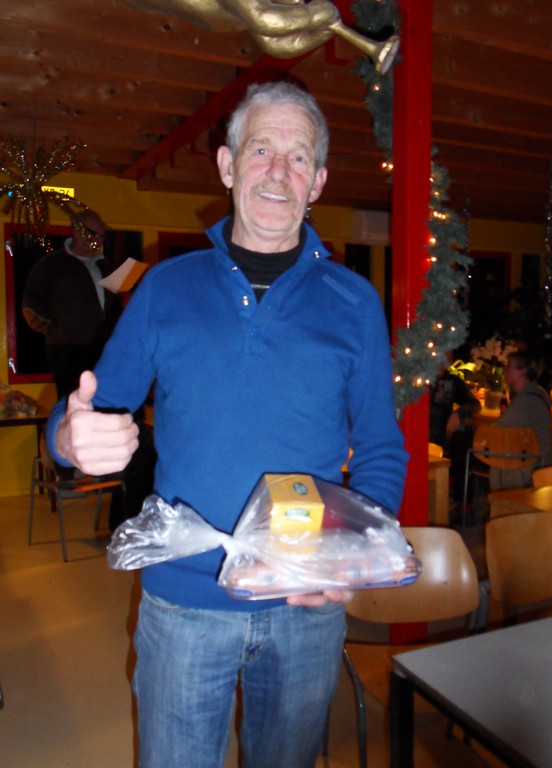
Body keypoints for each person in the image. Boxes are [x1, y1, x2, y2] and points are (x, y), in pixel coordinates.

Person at [45, 81, 408, 768]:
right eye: (261, 149)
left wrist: (351, 555)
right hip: (185, 601)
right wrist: (68, 437)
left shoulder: (355, 302)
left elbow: (382, 448)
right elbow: (92, 408)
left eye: (298, 157)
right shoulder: (165, 288)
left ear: (318, 182)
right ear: (227, 165)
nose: (278, 171)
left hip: (304, 604)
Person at [22, 209, 121, 399]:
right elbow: (30, 305)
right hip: (67, 349)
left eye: (102, 235)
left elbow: (117, 306)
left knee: (105, 400)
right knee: (71, 402)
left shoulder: (105, 266)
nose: (99, 240)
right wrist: (56, 332)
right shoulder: (50, 264)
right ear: (76, 231)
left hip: (105, 348)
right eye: (94, 234)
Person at [491, 350, 552, 490]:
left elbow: (495, 432)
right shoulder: (538, 392)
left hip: (534, 466)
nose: (505, 370)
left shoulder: (528, 400)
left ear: (522, 371)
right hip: (537, 460)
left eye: (509, 366)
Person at [429, 357, 480, 520]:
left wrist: (458, 414)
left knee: (463, 443)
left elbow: (474, 404)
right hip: (419, 436)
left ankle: (463, 507)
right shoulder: (414, 378)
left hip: (443, 437)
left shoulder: (451, 381)